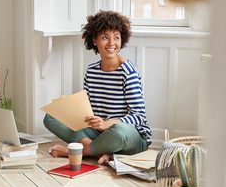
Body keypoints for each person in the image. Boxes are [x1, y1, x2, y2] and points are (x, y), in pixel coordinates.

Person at [43, 10, 151, 164]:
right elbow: (89, 109)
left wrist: (107, 124)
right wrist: (69, 107)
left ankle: (75, 151)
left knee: (120, 131)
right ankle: (101, 152)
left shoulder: (128, 72)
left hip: (129, 135)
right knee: (51, 116)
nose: (111, 43)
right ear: (94, 40)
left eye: (116, 37)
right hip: (99, 132)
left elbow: (139, 117)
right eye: (105, 37)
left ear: (122, 40)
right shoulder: (92, 70)